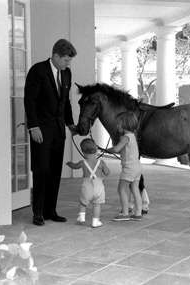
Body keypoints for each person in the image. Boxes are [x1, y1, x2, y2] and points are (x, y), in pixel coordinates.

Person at [24, 39, 77, 226]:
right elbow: (29, 101)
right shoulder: (37, 71)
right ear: (55, 56)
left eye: (69, 61)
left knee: (55, 171)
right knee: (41, 170)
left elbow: (66, 101)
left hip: (58, 131)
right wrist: (33, 127)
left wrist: (70, 123)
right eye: (66, 60)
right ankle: (37, 212)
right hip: (40, 130)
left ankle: (50, 210)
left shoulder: (67, 74)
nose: (68, 64)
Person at [105, 111, 143, 221]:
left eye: (118, 124)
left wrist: (108, 150)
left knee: (121, 189)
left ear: (124, 124)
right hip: (137, 167)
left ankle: (125, 213)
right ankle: (138, 213)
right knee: (135, 189)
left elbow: (116, 149)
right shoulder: (133, 136)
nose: (117, 126)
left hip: (129, 168)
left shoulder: (125, 137)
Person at [66, 138, 110, 228]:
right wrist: (104, 169)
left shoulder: (82, 163)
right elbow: (107, 172)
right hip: (99, 187)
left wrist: (69, 164)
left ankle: (82, 216)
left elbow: (74, 166)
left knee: (83, 202)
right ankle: (95, 221)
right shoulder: (101, 162)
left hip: (87, 187)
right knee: (97, 204)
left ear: (83, 152)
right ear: (96, 150)